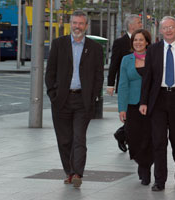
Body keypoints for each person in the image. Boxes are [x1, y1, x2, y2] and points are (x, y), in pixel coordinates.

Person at [139, 16, 175, 191]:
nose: (168, 30)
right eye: (165, 28)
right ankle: (160, 180)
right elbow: (148, 78)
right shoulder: (153, 50)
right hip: (158, 99)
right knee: (158, 141)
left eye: (171, 27)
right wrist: (144, 102)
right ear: (160, 31)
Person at [45, 10, 104, 188]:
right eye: (75, 23)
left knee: (79, 138)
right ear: (71, 24)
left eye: (81, 23)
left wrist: (92, 97)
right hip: (61, 100)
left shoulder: (94, 48)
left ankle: (78, 172)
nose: (77, 26)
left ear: (86, 26)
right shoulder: (58, 44)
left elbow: (98, 76)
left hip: (82, 101)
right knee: (64, 140)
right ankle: (69, 172)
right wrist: (53, 95)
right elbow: (50, 73)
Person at [118, 29, 153, 186]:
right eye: (135, 40)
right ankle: (141, 162)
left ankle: (145, 168)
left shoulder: (154, 58)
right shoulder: (126, 60)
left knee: (149, 138)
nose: (138, 43)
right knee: (133, 138)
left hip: (151, 105)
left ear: (147, 42)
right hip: (132, 106)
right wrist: (122, 108)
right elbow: (123, 85)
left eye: (141, 40)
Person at [107, 14, 143, 153]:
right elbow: (114, 64)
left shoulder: (143, 40)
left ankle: (122, 134)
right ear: (131, 25)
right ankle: (123, 135)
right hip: (125, 85)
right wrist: (110, 84)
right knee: (130, 115)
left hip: (140, 85)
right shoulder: (120, 42)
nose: (141, 24)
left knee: (137, 116)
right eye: (139, 22)